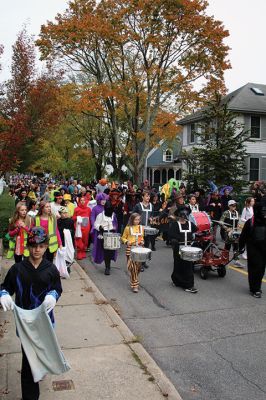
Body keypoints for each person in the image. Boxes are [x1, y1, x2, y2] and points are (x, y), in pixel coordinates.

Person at [0, 226, 63, 400]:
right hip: (25, 323)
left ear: (45, 247)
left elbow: (58, 288)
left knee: (41, 352)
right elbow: (5, 287)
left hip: (45, 322)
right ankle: (30, 396)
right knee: (28, 361)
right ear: (28, 246)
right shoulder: (17, 269)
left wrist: (53, 295)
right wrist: (3, 294)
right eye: (34, 245)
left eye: (41, 246)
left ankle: (39, 368)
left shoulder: (51, 269)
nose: (37, 249)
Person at [239, 201, 266, 298]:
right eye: (262, 210)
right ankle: (255, 289)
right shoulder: (250, 222)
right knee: (255, 269)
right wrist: (240, 247)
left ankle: (257, 286)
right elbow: (243, 237)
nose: (264, 212)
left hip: (264, 249)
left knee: (261, 269)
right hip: (253, 250)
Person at [168, 206, 198, 293]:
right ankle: (176, 280)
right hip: (178, 248)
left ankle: (188, 285)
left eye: (186, 214)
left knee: (188, 266)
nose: (184, 216)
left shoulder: (190, 224)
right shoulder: (175, 224)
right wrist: (174, 240)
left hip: (188, 249)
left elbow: (196, 229)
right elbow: (171, 235)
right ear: (179, 215)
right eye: (183, 214)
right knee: (178, 265)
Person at [121, 213, 145, 293]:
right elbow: (123, 237)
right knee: (133, 268)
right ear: (132, 219)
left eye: (138, 219)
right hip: (130, 249)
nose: (137, 221)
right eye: (135, 219)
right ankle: (135, 285)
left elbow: (142, 238)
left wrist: (142, 241)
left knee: (137, 268)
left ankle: (133, 279)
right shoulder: (128, 228)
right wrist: (127, 241)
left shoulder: (141, 228)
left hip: (139, 249)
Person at [93, 201, 118, 275]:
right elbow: (95, 224)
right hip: (103, 235)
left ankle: (108, 265)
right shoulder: (100, 216)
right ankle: (107, 267)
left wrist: (115, 228)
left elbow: (116, 224)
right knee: (106, 251)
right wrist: (99, 227)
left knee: (110, 251)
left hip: (112, 234)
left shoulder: (113, 215)